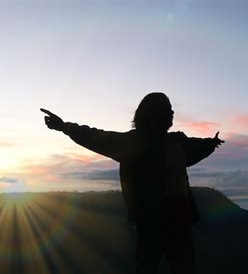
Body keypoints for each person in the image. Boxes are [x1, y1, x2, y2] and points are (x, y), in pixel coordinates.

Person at [41, 92, 224, 274]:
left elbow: (196, 146)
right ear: (153, 114)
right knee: (147, 267)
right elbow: (93, 136)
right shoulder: (131, 143)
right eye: (167, 109)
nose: (172, 113)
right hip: (150, 226)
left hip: (180, 224)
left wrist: (211, 142)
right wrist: (64, 126)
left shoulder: (177, 142)